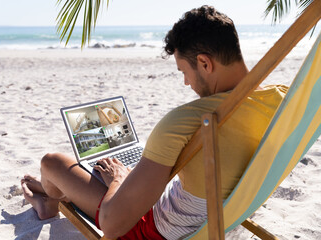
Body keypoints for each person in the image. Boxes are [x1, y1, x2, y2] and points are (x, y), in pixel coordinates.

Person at [21, 5, 288, 240]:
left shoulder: (189, 120)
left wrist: (119, 181)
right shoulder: (283, 100)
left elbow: (113, 226)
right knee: (108, 173)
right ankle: (51, 193)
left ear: (204, 63)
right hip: (223, 215)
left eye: (184, 72)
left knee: (52, 162)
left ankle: (49, 200)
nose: (187, 83)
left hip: (150, 229)